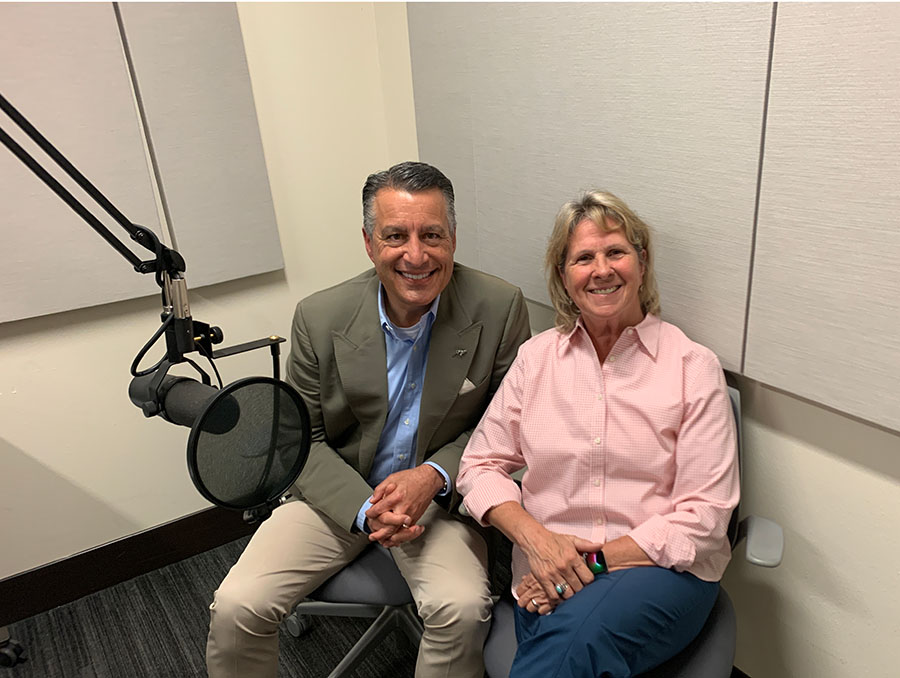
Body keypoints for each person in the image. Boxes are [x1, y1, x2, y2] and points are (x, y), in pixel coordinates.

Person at [206, 161, 531, 678]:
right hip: (337, 489)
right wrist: (363, 508)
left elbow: (507, 425)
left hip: (438, 501)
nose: (416, 255)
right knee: (238, 606)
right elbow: (300, 438)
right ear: (368, 242)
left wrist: (433, 476)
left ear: (453, 238)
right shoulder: (320, 316)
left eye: (432, 235)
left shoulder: (499, 306)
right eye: (395, 235)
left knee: (463, 610)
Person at [457, 190, 740, 678]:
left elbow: (705, 517)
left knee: (570, 650)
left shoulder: (692, 367)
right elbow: (478, 465)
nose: (601, 269)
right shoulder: (536, 360)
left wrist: (591, 565)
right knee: (565, 648)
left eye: (616, 252)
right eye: (583, 258)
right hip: (546, 574)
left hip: (658, 575)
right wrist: (539, 543)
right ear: (564, 278)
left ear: (642, 262)